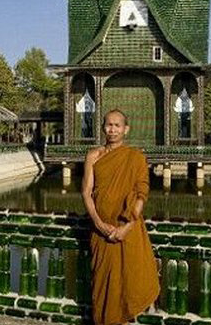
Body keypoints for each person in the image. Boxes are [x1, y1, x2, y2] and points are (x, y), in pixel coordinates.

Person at [81, 109, 160, 325]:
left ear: (126, 129)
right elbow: (86, 192)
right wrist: (98, 223)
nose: (112, 129)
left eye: (117, 125)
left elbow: (141, 194)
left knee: (127, 284)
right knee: (102, 286)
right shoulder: (93, 155)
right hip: (101, 233)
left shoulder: (135, 157)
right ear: (103, 127)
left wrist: (125, 228)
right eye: (108, 125)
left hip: (128, 230)